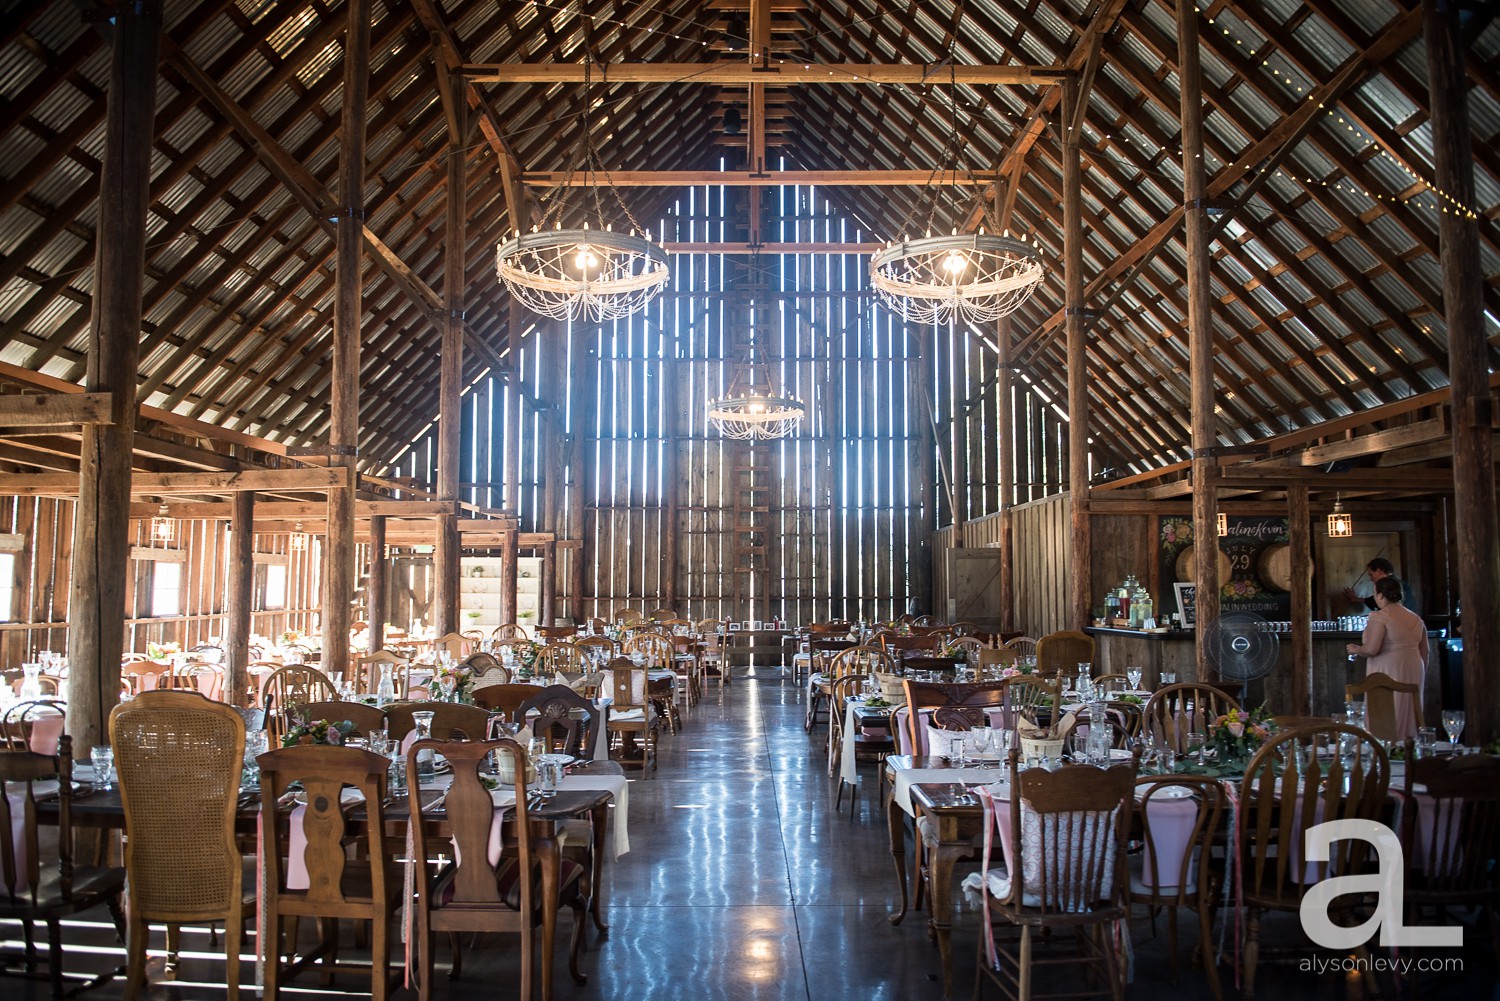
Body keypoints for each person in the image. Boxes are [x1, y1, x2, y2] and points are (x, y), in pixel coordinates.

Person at [1345, 576, 1427, 740]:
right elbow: (1425, 651)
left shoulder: (1379, 616)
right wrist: (1421, 672)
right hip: (1414, 668)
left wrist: (1356, 650)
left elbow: (1372, 649)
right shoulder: (1416, 618)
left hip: (1388, 669)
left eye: (1375, 593)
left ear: (1381, 595)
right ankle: (1408, 746)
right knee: (1409, 707)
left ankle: (1385, 747)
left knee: (1388, 707)